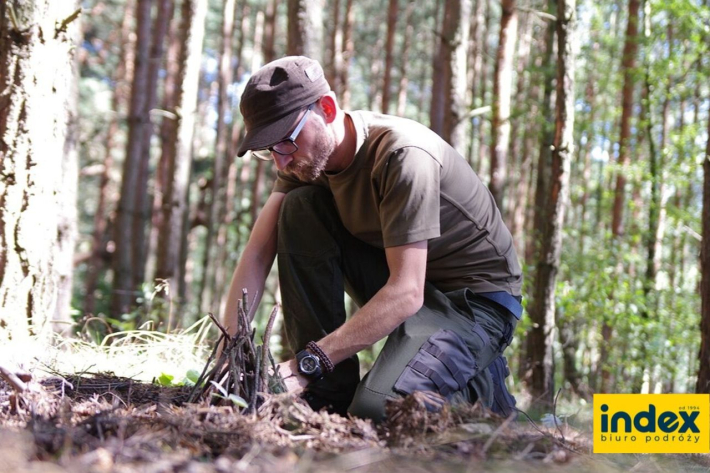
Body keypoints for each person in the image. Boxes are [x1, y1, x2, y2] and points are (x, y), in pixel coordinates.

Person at [223, 56, 523, 422]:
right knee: (299, 207)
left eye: (286, 141)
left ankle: (482, 386)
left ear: (328, 108)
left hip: (475, 304)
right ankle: (327, 392)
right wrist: (231, 352)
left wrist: (308, 363)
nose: (280, 163)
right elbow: (258, 251)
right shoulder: (304, 160)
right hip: (407, 284)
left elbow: (407, 291)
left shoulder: (402, 155)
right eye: (268, 149)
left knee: (378, 411)